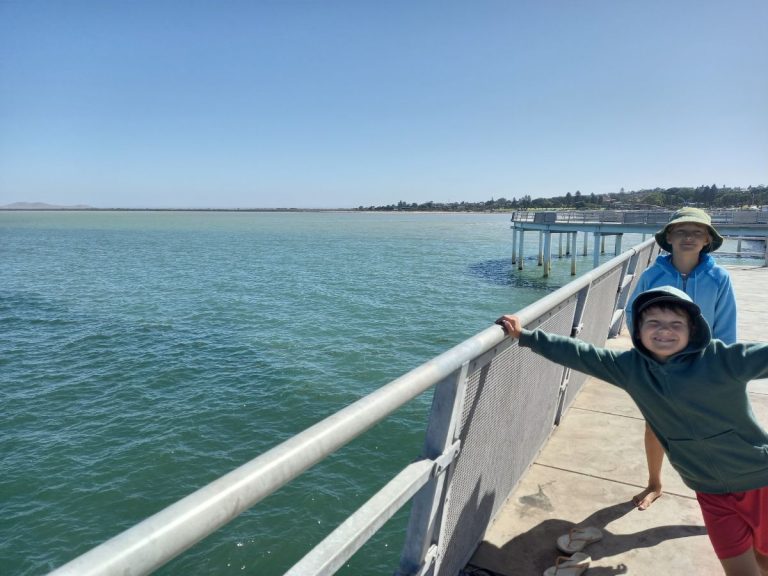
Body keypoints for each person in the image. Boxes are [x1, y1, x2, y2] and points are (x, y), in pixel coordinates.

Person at [497, 286, 768, 576]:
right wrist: (525, 336)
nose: (665, 331)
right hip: (709, 492)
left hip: (760, 481)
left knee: (763, 557)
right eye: (653, 323)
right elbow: (580, 354)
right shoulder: (629, 368)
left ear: (693, 330)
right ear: (638, 330)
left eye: (676, 324)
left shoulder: (723, 359)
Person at [625, 207, 738, 510]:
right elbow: (632, 313)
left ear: (707, 240)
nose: (688, 237)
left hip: (703, 367)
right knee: (655, 425)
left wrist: (721, 367)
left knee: (710, 431)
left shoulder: (719, 277)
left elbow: (726, 326)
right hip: (660, 366)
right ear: (669, 238)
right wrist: (646, 351)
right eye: (681, 231)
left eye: (697, 232)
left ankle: (720, 492)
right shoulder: (653, 275)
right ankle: (654, 483)